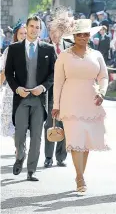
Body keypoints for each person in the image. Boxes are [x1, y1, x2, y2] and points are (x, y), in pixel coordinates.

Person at [51, 15, 109, 192]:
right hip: (70, 103)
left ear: (89, 36)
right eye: (79, 35)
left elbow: (104, 76)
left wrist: (102, 92)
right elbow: (58, 81)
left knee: (86, 143)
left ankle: (79, 175)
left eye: (85, 34)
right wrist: (56, 105)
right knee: (76, 140)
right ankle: (81, 178)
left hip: (92, 102)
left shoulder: (97, 55)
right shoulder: (63, 57)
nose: (83, 37)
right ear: (73, 37)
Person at [5, 16, 56, 181]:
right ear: (26, 28)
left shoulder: (48, 49)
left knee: (36, 135)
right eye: (32, 26)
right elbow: (8, 73)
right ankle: (20, 156)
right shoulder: (14, 49)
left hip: (39, 100)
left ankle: (31, 170)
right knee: (19, 133)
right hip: (21, 98)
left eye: (37, 27)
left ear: (41, 30)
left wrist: (42, 87)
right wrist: (17, 88)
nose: (34, 29)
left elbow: (53, 74)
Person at [43, 28, 73, 168]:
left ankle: (61, 157)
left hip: (69, 91)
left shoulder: (71, 46)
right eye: (52, 33)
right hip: (51, 92)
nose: (54, 35)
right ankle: (48, 157)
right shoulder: (44, 48)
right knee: (51, 124)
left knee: (66, 125)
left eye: (57, 32)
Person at [0, 21, 27, 142]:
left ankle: (21, 144)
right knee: (12, 120)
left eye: (25, 33)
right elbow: (4, 72)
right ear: (16, 34)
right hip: (12, 90)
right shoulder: (9, 50)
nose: (23, 35)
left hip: (27, 88)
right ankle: (18, 145)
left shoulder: (33, 49)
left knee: (26, 119)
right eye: (21, 33)